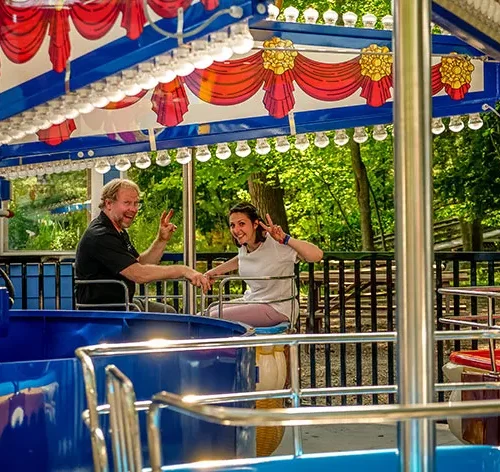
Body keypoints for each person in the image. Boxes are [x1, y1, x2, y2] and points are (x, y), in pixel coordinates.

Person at [75, 178, 210, 311]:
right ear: (109, 203)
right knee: (167, 321)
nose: (133, 209)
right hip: (105, 311)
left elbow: (140, 263)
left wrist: (161, 240)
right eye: (127, 203)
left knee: (168, 312)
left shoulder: (117, 230)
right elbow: (138, 274)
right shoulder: (101, 235)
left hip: (123, 303)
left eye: (136, 203)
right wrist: (182, 270)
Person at [204, 202, 323, 327]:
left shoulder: (276, 244)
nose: (236, 230)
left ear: (255, 224)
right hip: (253, 300)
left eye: (242, 224)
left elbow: (317, 255)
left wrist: (285, 239)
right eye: (232, 225)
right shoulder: (245, 246)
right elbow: (241, 259)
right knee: (206, 312)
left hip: (277, 306)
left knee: (215, 317)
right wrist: (214, 272)